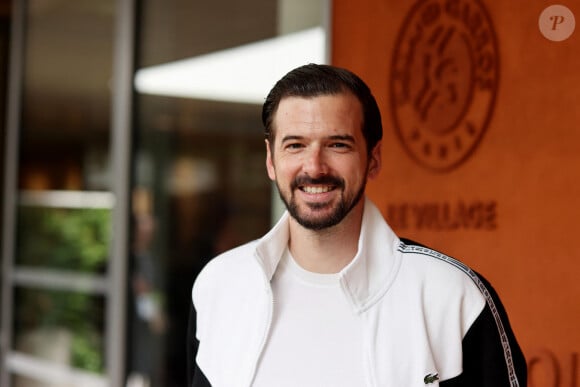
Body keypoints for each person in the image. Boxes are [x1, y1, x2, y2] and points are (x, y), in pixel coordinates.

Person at [187, 63, 527, 387]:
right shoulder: (220, 285)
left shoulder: (453, 296)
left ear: (373, 159)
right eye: (295, 145)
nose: (314, 167)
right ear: (270, 160)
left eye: (338, 145)